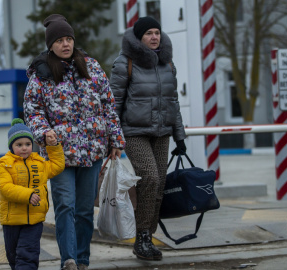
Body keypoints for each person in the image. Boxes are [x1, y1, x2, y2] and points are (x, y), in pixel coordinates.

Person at [23, 14, 125, 270]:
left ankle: (82, 260)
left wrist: (115, 139)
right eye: (59, 40)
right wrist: (43, 131)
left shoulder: (91, 67)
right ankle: (68, 259)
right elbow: (32, 110)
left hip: (92, 151)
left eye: (68, 39)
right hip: (60, 155)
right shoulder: (42, 74)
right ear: (51, 45)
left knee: (83, 210)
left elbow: (108, 105)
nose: (65, 44)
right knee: (65, 206)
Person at [110, 16, 187, 261]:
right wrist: (112, 139)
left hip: (162, 132)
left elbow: (173, 101)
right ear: (139, 38)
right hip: (134, 132)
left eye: (157, 32)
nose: (154, 37)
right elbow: (113, 103)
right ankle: (141, 236)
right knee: (150, 178)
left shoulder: (167, 63)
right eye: (149, 34)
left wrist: (180, 136)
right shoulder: (125, 63)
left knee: (159, 185)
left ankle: (147, 237)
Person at [0, 118, 65, 270]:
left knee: (28, 254)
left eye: (27, 144)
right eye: (19, 145)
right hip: (12, 221)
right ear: (11, 146)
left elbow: (57, 166)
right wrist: (27, 194)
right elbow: (5, 187)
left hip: (34, 219)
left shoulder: (39, 162)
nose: (24, 148)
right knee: (13, 256)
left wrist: (53, 146)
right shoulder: (5, 164)